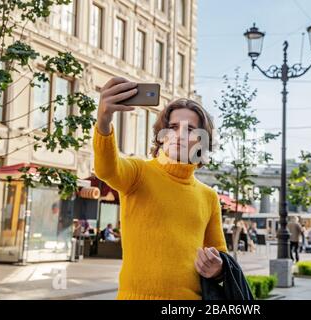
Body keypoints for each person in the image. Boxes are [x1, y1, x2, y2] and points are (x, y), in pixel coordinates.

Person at [93, 78, 227, 300]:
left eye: (191, 129)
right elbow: (107, 168)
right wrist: (104, 121)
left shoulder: (208, 196)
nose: (180, 134)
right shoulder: (138, 172)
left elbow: (219, 253)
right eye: (173, 127)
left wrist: (218, 267)